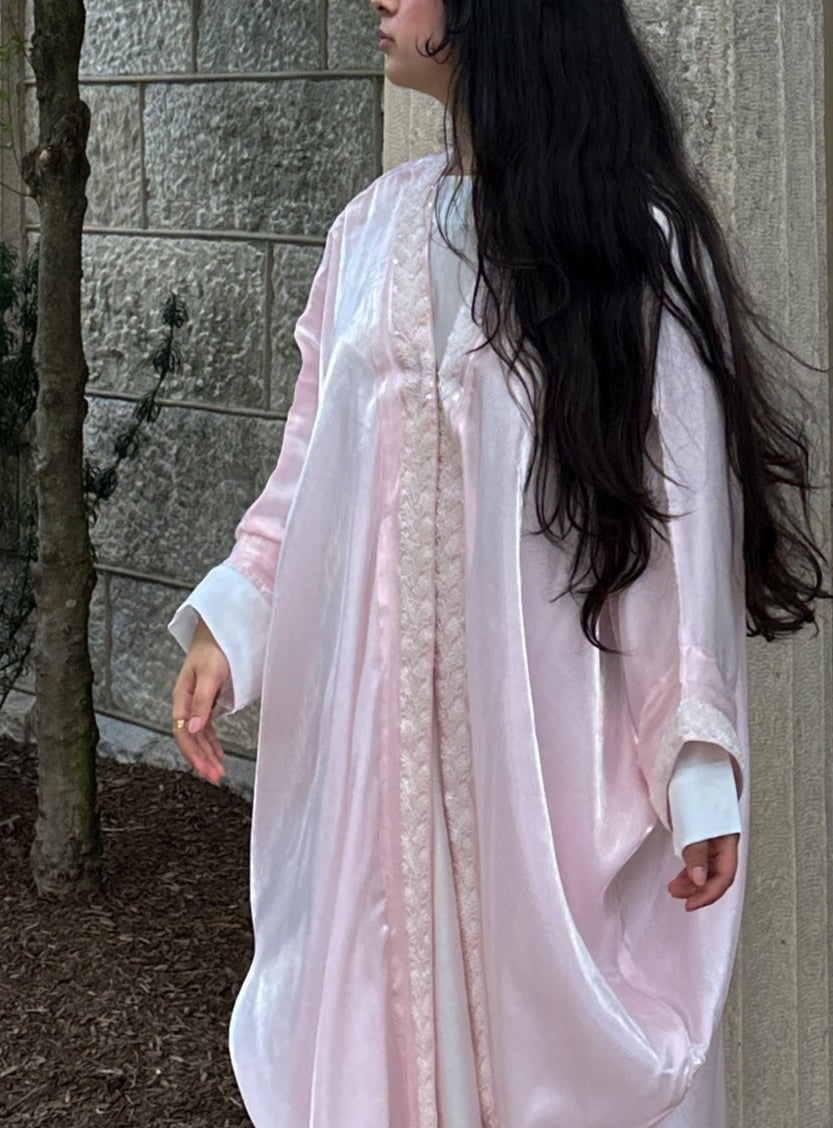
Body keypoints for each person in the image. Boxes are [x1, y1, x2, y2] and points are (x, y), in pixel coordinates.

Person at [167, 2, 827, 1125]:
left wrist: (695, 762)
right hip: (376, 771)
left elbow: (679, 527)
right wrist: (235, 620)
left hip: (542, 779)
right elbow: (302, 475)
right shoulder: (365, 234)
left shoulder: (629, 244)